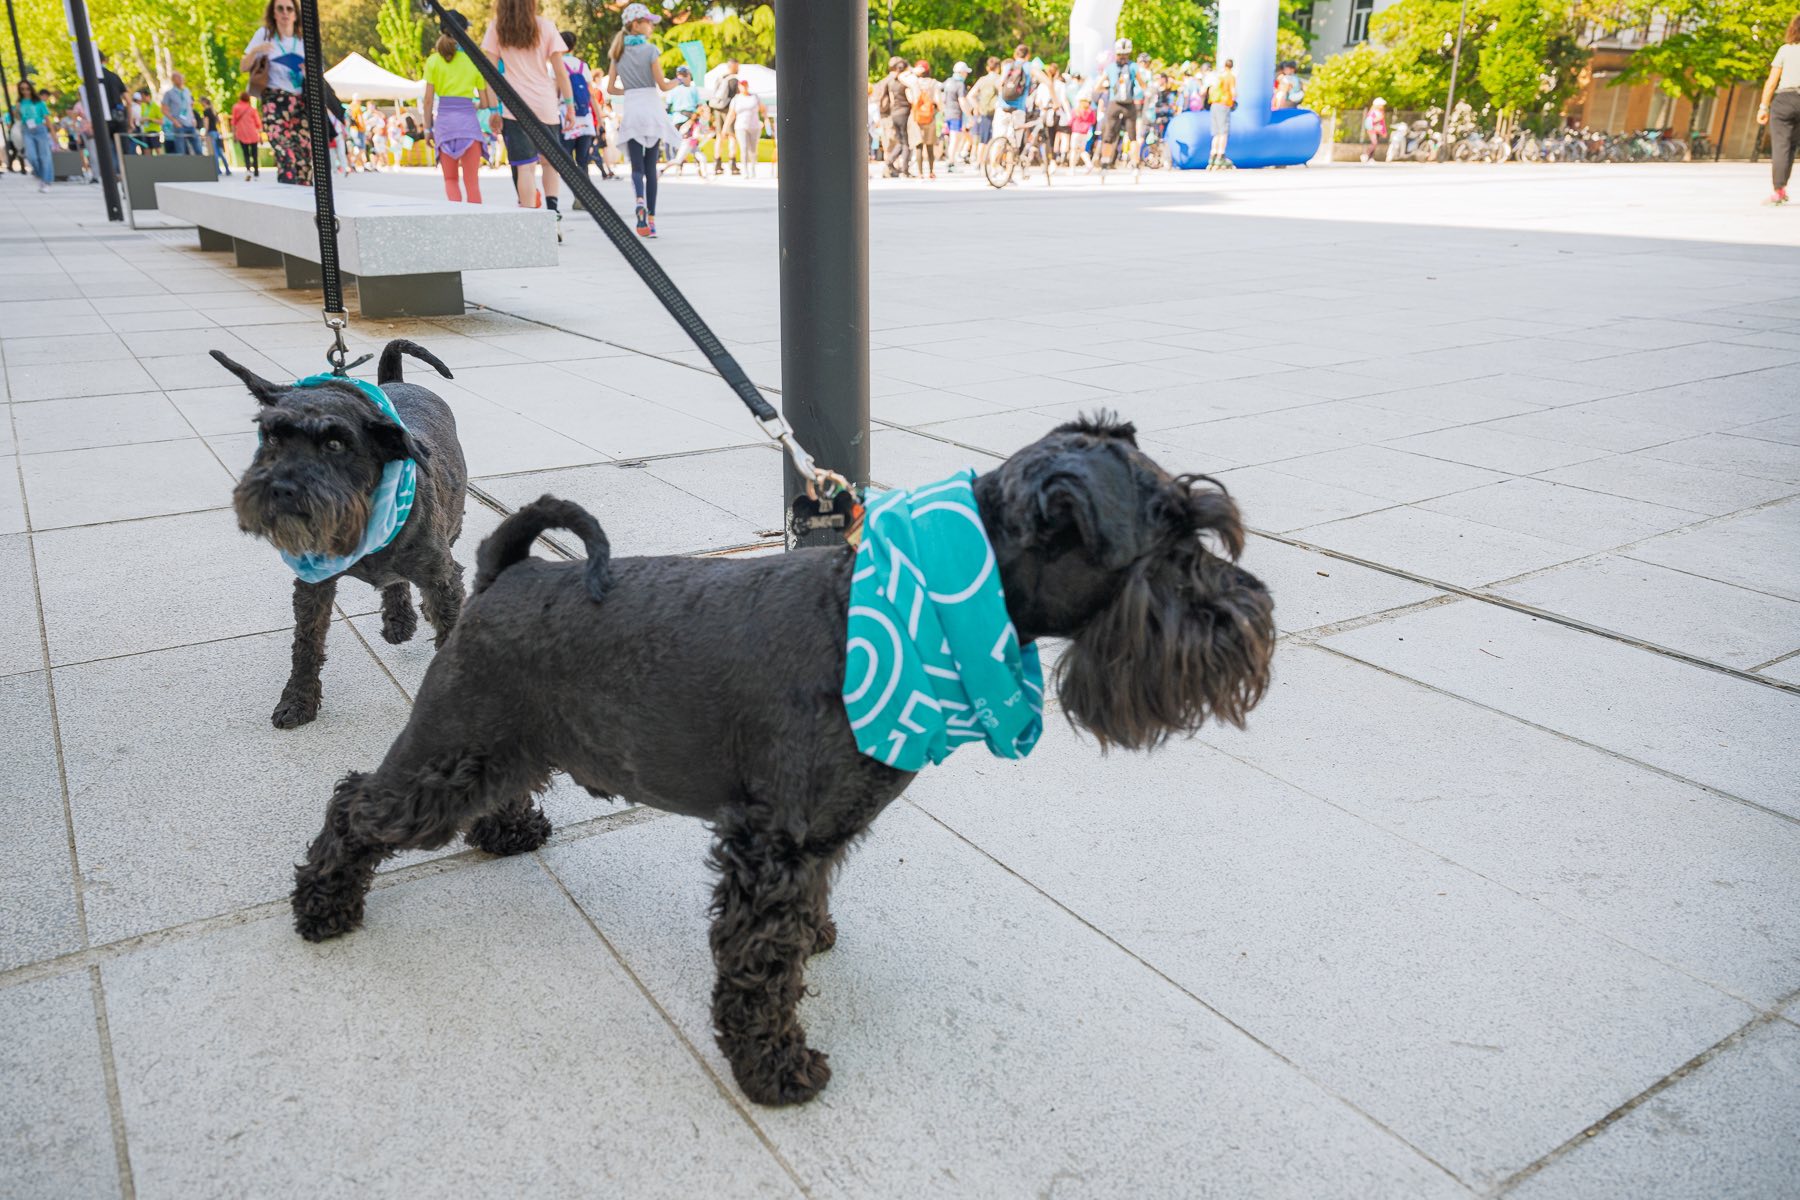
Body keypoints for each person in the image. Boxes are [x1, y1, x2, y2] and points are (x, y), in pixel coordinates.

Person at [483, 0, 573, 214]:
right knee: (550, 163)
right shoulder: (546, 26)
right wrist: (569, 105)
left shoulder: (497, 28)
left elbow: (490, 74)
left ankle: (531, 217)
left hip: (514, 107)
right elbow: (561, 72)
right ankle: (553, 214)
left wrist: (494, 110)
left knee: (525, 166)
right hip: (545, 104)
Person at [605, 2, 680, 236]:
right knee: (651, 169)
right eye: (647, 22)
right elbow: (663, 85)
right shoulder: (650, 50)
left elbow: (611, 89)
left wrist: (629, 90)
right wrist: (680, 81)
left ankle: (639, 201)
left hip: (632, 110)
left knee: (636, 168)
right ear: (635, 24)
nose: (650, 26)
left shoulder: (617, 53)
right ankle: (652, 220)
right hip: (651, 110)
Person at [241, 0, 308, 183]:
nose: (285, 13)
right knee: (284, 152)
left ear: (295, 14)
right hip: (274, 99)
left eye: (289, 9)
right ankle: (287, 197)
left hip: (300, 101)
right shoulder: (265, 35)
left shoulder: (303, 40)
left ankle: (305, 199)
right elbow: (243, 66)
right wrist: (256, 50)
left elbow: (319, 72)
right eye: (280, 8)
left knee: (304, 156)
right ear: (274, 13)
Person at [423, 32, 489, 203]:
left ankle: (456, 219)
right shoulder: (472, 61)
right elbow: (485, 101)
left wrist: (427, 129)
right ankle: (475, 221)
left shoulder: (433, 61)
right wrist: (474, 106)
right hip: (468, 124)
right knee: (472, 182)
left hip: (445, 126)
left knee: (450, 180)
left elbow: (428, 100)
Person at [1758, 14, 1800, 205]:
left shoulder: (1785, 50)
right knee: (1791, 147)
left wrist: (1763, 107)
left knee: (1782, 146)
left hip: (1784, 99)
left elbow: (1772, 81)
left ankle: (1779, 190)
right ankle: (1782, 187)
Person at [558, 31, 602, 180]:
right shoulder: (583, 66)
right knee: (583, 160)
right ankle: (585, 195)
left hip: (565, 115)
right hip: (585, 118)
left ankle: (577, 192)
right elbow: (591, 95)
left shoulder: (557, 65)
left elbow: (555, 93)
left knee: (567, 158)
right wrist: (599, 120)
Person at [1097, 39, 1146, 168]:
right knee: (1132, 136)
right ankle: (1135, 163)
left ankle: (1105, 161)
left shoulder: (1110, 67)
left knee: (1108, 134)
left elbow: (1097, 86)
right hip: (1129, 104)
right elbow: (1142, 84)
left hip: (1114, 104)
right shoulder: (1133, 66)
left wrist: (1107, 89)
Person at [877, 56, 912, 178]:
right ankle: (891, 167)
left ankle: (891, 167)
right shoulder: (897, 80)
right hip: (892, 113)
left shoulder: (885, 80)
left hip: (889, 113)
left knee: (894, 142)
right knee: (897, 142)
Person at [17, 80, 54, 191]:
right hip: (26, 129)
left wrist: (53, 133)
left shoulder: (38, 101)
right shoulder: (20, 102)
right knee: (31, 156)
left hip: (40, 129)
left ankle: (46, 182)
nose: (25, 91)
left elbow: (47, 118)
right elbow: (19, 118)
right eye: (22, 89)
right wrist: (17, 110)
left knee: (44, 156)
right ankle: (41, 175)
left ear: (31, 89)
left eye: (27, 88)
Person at [728, 77, 765, 179]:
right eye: (741, 85)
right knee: (743, 148)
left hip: (754, 126)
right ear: (739, 87)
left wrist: (765, 120)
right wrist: (725, 127)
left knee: (753, 149)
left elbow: (763, 109)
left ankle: (752, 168)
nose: (743, 87)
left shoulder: (755, 97)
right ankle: (745, 170)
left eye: (745, 85)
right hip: (741, 126)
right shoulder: (736, 99)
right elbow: (731, 114)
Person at [709, 58, 741, 174]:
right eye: (737, 66)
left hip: (717, 109)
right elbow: (735, 98)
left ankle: (717, 163)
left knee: (719, 136)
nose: (738, 69)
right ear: (732, 66)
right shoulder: (733, 80)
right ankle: (732, 164)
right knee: (732, 136)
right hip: (728, 110)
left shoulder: (720, 77)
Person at [909, 60, 939, 179]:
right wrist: (940, 110)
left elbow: (911, 99)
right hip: (930, 116)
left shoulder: (914, 82)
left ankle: (920, 173)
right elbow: (938, 99)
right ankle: (931, 171)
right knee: (930, 145)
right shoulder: (933, 83)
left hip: (916, 117)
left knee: (919, 145)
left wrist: (913, 71)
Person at [161, 71, 202, 155]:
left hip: (190, 123)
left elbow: (190, 106)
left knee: (198, 149)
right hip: (179, 125)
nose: (181, 79)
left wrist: (193, 118)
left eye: (181, 77)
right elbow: (163, 110)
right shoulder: (169, 93)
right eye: (178, 77)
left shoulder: (187, 91)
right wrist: (174, 121)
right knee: (181, 151)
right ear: (173, 80)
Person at [967, 57, 1001, 153]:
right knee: (995, 140)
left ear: (988, 67)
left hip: (984, 112)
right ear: (998, 67)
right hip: (996, 112)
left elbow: (970, 96)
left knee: (983, 140)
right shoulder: (999, 79)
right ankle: (990, 163)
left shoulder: (982, 79)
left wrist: (977, 107)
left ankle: (980, 162)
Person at [1208, 57, 1237, 169]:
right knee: (1223, 132)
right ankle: (1221, 156)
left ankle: (1212, 156)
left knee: (1216, 133)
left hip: (1214, 103)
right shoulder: (1230, 76)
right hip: (1224, 103)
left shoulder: (1219, 75)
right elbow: (1233, 91)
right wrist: (1234, 100)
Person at [230, 91, 262, 178]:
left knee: (246, 153)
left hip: (242, 133)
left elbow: (233, 122)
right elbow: (258, 123)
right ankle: (256, 171)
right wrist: (260, 135)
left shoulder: (236, 107)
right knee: (255, 154)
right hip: (253, 134)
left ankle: (248, 170)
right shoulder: (252, 109)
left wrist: (234, 135)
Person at [198, 96, 232, 175]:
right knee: (220, 152)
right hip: (216, 132)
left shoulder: (206, 111)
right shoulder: (213, 110)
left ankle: (218, 170)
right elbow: (218, 121)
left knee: (215, 153)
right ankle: (227, 169)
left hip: (211, 133)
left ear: (204, 102)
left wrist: (205, 133)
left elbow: (206, 123)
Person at [1068, 95, 1097, 169]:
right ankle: (1089, 164)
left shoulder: (1076, 110)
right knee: (1082, 150)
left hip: (1076, 132)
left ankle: (1072, 168)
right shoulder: (1091, 111)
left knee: (1073, 150)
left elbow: (1071, 121)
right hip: (1085, 133)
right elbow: (1093, 121)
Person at [1361, 97, 1387, 163]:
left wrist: (1383, 131)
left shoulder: (1381, 112)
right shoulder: (1373, 112)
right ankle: (1366, 155)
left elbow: (1382, 123)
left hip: (1378, 130)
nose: (1382, 106)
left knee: (1375, 143)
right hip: (1372, 130)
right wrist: (1378, 119)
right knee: (1374, 142)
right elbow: (1370, 121)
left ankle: (1371, 158)